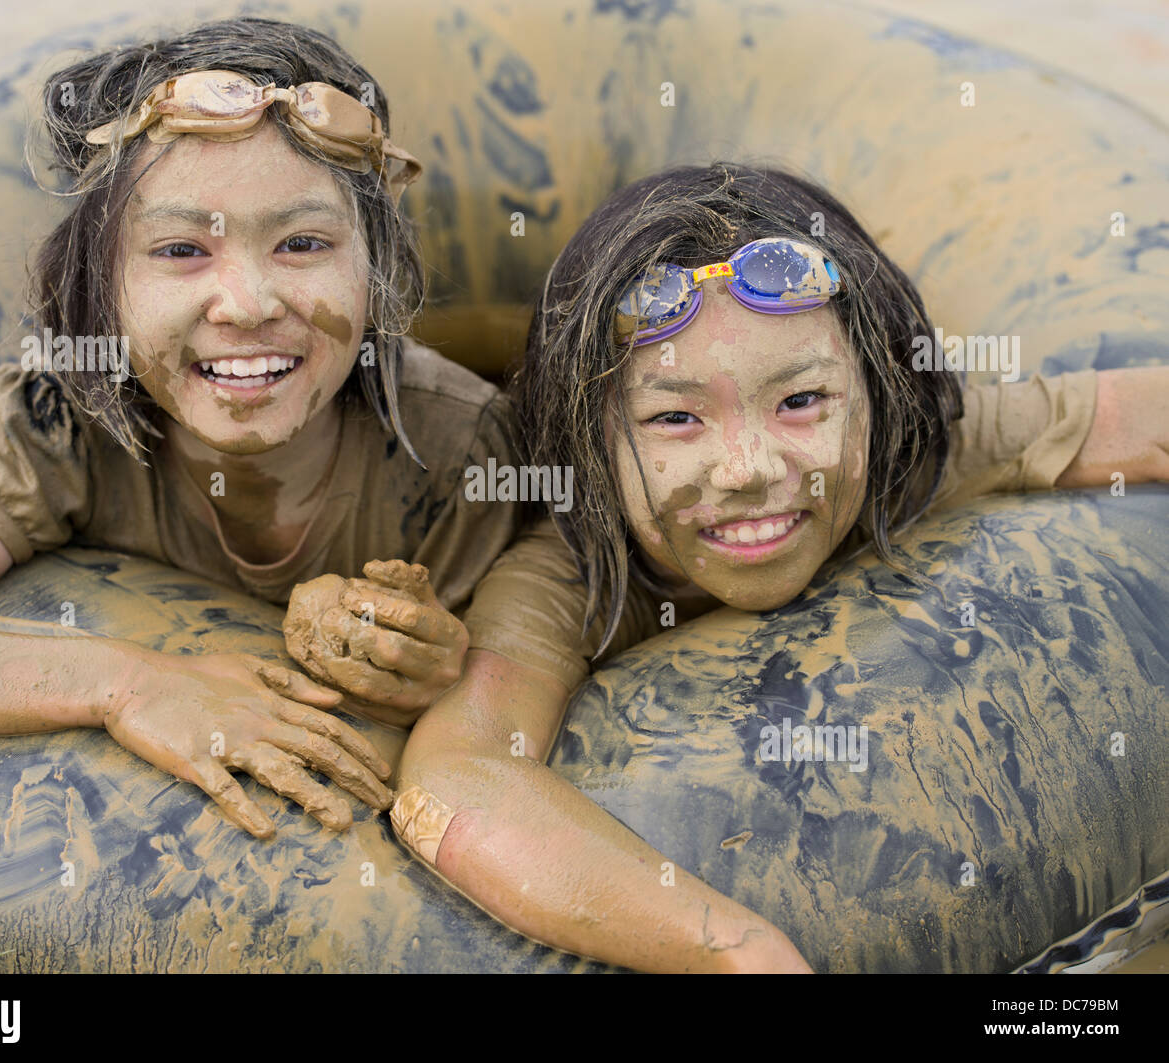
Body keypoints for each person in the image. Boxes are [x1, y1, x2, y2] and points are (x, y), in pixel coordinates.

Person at [393, 162, 1169, 972]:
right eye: (676, 417)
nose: (748, 467)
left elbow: (1134, 418)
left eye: (801, 401)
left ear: (879, 393)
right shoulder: (568, 576)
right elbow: (460, 770)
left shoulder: (920, 458)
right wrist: (732, 945)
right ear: (587, 443)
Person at [0, 18, 523, 837]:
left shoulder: (467, 453)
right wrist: (126, 684)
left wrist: (441, 669)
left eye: (303, 242)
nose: (248, 303)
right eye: (181, 249)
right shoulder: (56, 423)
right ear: (100, 282)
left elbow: (515, 710)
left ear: (375, 262)